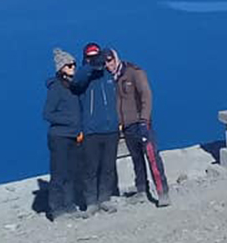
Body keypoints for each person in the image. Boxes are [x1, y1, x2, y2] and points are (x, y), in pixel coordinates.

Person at [107, 49, 170, 207]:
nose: (109, 65)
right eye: (106, 62)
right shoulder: (112, 79)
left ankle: (162, 192)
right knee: (137, 159)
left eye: (111, 60)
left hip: (141, 123)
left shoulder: (134, 72)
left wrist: (144, 120)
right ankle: (142, 190)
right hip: (126, 126)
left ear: (116, 58)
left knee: (152, 157)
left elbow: (146, 96)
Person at [69, 42, 120, 214]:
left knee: (108, 166)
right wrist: (91, 66)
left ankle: (104, 198)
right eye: (90, 57)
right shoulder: (84, 75)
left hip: (111, 128)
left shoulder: (108, 75)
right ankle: (91, 202)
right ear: (85, 58)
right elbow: (76, 83)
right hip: (91, 129)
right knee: (90, 168)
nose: (95, 59)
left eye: (96, 56)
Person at [42, 48, 82, 221]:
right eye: (69, 65)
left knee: (72, 172)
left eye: (74, 64)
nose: (73, 67)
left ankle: (69, 205)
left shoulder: (75, 86)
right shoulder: (56, 88)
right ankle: (56, 209)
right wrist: (70, 121)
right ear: (61, 69)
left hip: (74, 136)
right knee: (59, 173)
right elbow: (47, 114)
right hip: (59, 137)